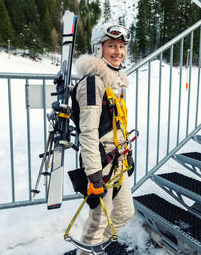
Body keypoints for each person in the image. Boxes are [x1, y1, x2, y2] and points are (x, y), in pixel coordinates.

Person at [67, 23, 135, 255]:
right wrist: (94, 175)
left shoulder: (113, 81)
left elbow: (117, 124)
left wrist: (128, 154)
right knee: (98, 220)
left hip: (118, 160)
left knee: (125, 212)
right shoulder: (92, 83)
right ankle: (87, 252)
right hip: (100, 165)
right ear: (99, 49)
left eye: (121, 46)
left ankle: (98, 248)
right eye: (111, 46)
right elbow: (88, 132)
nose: (118, 51)